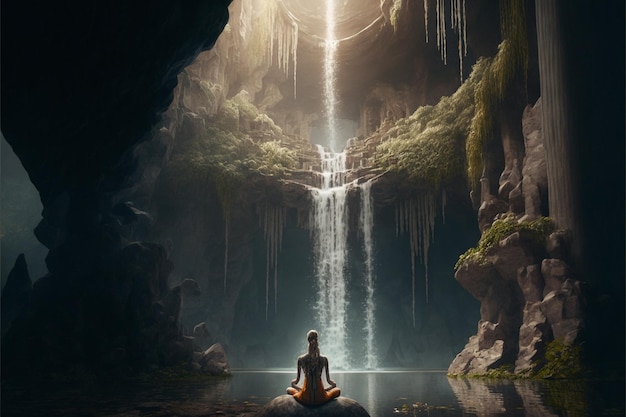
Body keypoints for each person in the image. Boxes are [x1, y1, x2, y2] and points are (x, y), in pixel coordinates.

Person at [286, 329, 341, 405]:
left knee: (289, 389)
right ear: (317, 339)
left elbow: (296, 382)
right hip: (321, 397)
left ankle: (303, 392)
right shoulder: (324, 360)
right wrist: (329, 387)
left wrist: (299, 388)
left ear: (308, 340)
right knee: (337, 390)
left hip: (305, 397)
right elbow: (329, 381)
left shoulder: (301, 359)